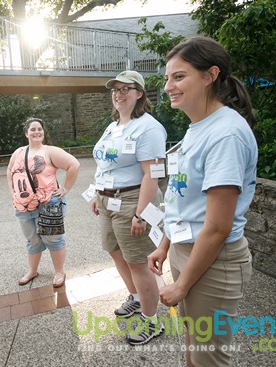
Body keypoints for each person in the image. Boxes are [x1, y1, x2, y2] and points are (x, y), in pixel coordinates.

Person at [148, 36, 257, 366]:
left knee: (210, 356)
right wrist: (165, 245)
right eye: (167, 78)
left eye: (179, 77)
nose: (169, 86)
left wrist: (181, 284)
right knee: (194, 345)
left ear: (210, 75)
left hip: (213, 259)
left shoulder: (226, 133)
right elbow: (181, 197)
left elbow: (218, 226)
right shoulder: (198, 126)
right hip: (186, 250)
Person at [90, 70, 167, 345]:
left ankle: (152, 321)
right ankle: (136, 298)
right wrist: (96, 191)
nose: (118, 94)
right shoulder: (113, 126)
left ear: (139, 93)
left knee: (138, 262)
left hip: (133, 201)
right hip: (107, 199)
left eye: (126, 89)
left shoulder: (149, 128)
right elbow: (105, 163)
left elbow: (153, 175)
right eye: (115, 89)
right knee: (114, 251)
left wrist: (140, 214)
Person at [7, 118, 80, 288]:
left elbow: (74, 165)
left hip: (48, 203)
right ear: (26, 133)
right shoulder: (18, 152)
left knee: (53, 239)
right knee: (32, 240)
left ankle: (59, 271)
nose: (37, 132)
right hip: (23, 206)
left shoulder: (50, 151)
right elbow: (10, 171)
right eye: (33, 129)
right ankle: (32, 271)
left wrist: (66, 188)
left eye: (40, 129)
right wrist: (12, 192)